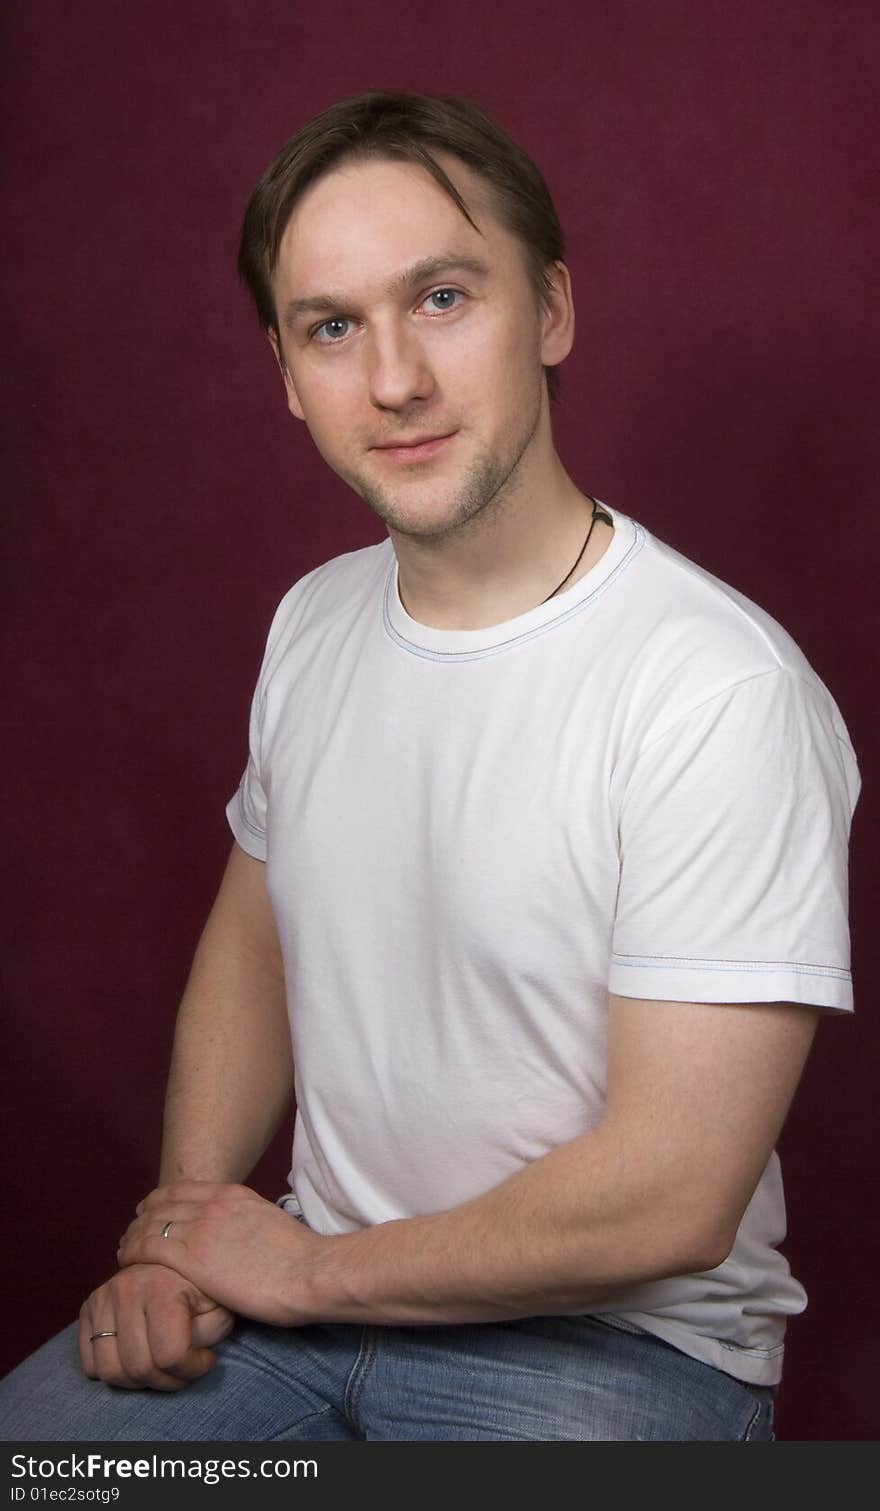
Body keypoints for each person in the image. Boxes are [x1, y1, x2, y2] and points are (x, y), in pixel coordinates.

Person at [0, 91, 860, 1443]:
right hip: (297, 1316)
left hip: (617, 1354)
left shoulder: (715, 689)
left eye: (444, 298)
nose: (392, 379)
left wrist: (300, 1266)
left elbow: (672, 1195)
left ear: (554, 314)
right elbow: (256, 946)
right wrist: (179, 1231)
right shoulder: (316, 620)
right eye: (332, 328)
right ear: (288, 377)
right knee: (38, 1461)